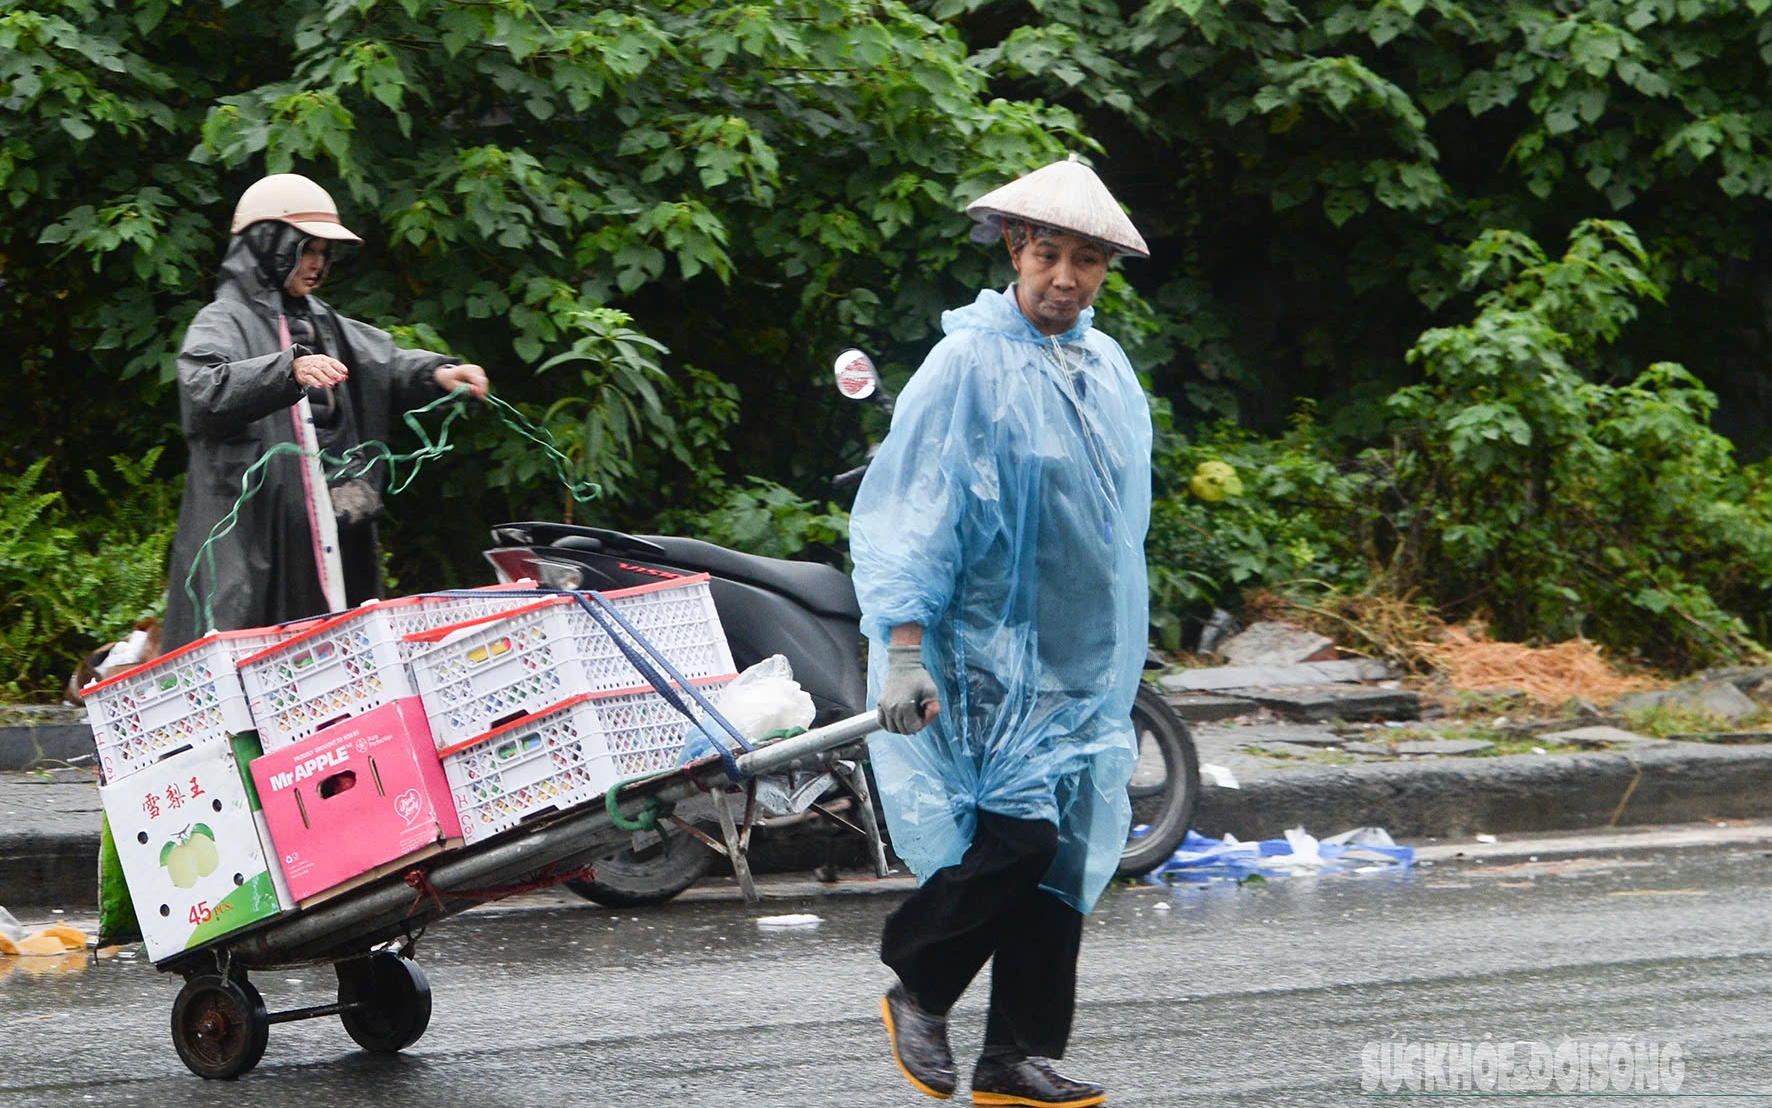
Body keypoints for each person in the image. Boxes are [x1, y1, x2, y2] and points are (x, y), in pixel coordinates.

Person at [849, 154, 1152, 1108]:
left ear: (1106, 269)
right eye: (1049, 254)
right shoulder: (967, 363)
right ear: (1017, 249)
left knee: (1056, 862)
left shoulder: (1102, 367)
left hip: (1073, 663)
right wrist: (904, 651)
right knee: (1016, 843)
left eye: (1087, 262)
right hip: (980, 661)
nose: (1066, 279)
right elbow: (911, 513)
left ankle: (1016, 1057)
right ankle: (920, 980)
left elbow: (1114, 525)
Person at [162, 173, 490, 650]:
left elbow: (382, 363)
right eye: (306, 250)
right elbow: (203, 389)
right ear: (269, 247)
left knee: (334, 643)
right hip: (256, 531)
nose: (317, 265)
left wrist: (439, 374)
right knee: (256, 648)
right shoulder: (223, 321)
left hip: (327, 524)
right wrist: (285, 371)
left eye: (323, 253)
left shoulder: (320, 318)